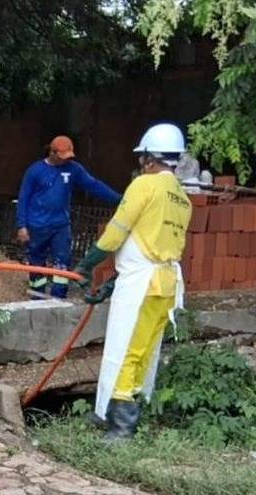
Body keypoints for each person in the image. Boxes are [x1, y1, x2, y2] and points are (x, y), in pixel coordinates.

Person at [73, 123, 193, 442]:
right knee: (143, 350)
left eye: (143, 158)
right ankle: (112, 412)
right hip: (165, 285)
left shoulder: (144, 185)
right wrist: (112, 283)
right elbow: (150, 247)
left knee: (126, 349)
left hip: (143, 285)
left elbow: (118, 231)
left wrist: (87, 264)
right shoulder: (182, 199)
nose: (141, 163)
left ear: (150, 158)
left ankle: (121, 426)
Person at [17, 136, 122, 300]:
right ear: (52, 153)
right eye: (62, 156)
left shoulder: (73, 169)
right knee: (36, 262)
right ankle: (37, 297)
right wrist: (22, 225)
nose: (65, 160)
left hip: (60, 225)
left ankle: (58, 297)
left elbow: (93, 185)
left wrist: (120, 200)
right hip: (37, 225)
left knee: (62, 262)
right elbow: (23, 198)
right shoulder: (35, 171)